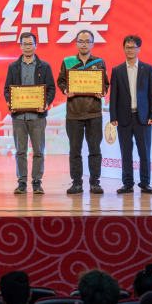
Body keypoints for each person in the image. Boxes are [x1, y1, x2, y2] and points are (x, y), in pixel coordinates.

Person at [3, 31, 56, 195]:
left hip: (37, 116)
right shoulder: (13, 67)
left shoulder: (44, 66)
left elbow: (51, 88)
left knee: (38, 151)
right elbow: (7, 89)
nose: (27, 47)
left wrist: (45, 104)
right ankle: (22, 182)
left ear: (35, 45)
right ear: (20, 46)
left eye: (30, 44)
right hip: (19, 116)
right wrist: (10, 102)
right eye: (24, 44)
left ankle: (37, 181)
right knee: (20, 151)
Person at [57, 29, 108, 195]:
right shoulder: (68, 61)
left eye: (87, 41)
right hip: (74, 113)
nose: (84, 44)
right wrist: (65, 90)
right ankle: (77, 183)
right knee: (75, 151)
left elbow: (105, 84)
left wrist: (102, 91)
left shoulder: (99, 62)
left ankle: (95, 183)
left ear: (92, 43)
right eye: (81, 41)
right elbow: (61, 81)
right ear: (76, 43)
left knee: (95, 150)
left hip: (94, 113)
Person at [109, 35, 152, 195]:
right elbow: (113, 96)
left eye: (133, 47)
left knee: (144, 152)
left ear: (139, 49)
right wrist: (113, 116)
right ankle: (127, 183)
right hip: (123, 118)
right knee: (126, 152)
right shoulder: (117, 70)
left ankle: (145, 183)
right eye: (127, 47)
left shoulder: (147, 69)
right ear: (123, 49)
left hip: (142, 117)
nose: (130, 50)